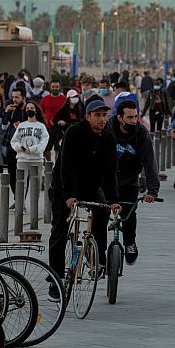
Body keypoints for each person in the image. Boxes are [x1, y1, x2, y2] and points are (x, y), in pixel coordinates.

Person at [48, 99, 120, 299]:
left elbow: (109, 171)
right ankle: (54, 280)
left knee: (103, 212)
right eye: (97, 115)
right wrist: (70, 195)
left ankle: (96, 257)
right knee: (60, 230)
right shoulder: (74, 132)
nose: (101, 119)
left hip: (90, 186)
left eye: (105, 115)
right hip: (64, 186)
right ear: (87, 116)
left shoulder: (108, 137)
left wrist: (113, 199)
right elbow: (66, 167)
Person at [110, 100, 159, 264]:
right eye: (129, 117)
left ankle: (130, 243)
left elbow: (149, 162)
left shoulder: (141, 133)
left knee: (129, 214)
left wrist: (152, 190)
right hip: (107, 179)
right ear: (119, 118)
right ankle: (96, 251)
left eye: (136, 117)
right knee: (99, 214)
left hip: (129, 180)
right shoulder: (108, 129)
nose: (133, 120)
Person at [11, 100, 49, 208]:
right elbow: (14, 141)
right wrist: (19, 148)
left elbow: (44, 142)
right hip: (22, 159)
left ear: (36, 110)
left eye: (31, 108)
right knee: (21, 184)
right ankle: (20, 206)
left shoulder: (41, 126)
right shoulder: (21, 125)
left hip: (36, 159)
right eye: (27, 108)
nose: (29, 110)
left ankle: (34, 208)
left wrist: (32, 149)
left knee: (35, 186)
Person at [1, 88, 26, 197]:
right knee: (12, 175)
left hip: (24, 148)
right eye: (13, 97)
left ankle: (22, 200)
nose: (14, 100)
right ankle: (17, 198)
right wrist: (6, 113)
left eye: (17, 97)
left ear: (23, 98)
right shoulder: (11, 110)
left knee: (23, 176)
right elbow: (3, 126)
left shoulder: (26, 110)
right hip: (11, 148)